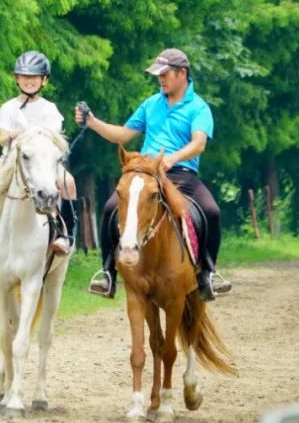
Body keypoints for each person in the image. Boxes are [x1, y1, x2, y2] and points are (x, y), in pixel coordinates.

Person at [75, 48, 231, 301]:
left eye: (165, 73)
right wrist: (92, 122)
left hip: (181, 174)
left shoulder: (199, 107)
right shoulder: (150, 104)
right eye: (158, 74)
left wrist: (172, 158)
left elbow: (198, 143)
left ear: (182, 74)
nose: (160, 78)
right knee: (110, 208)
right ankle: (107, 273)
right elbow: (124, 135)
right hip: (147, 172)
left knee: (211, 211)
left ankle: (208, 274)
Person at [0, 51, 79, 256]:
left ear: (44, 80)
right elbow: (2, 139)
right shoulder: (9, 107)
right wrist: (13, 134)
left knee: (70, 182)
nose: (29, 81)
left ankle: (65, 235)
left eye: (34, 78)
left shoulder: (49, 109)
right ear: (17, 79)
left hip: (43, 160)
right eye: (25, 77)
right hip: (11, 158)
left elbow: (54, 138)